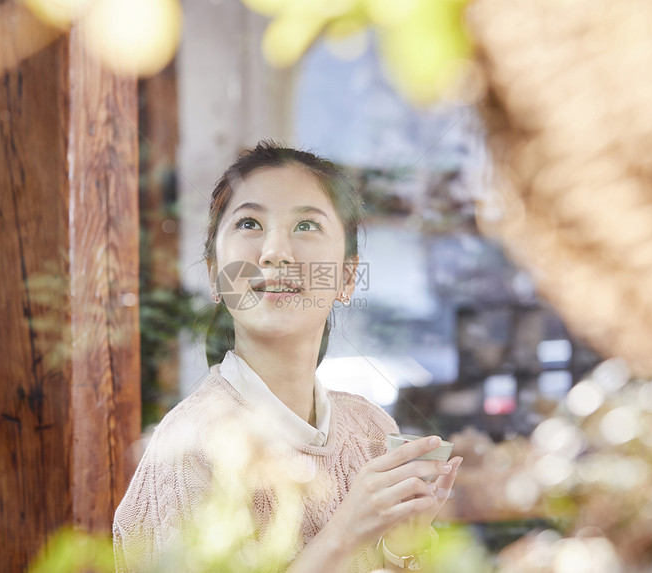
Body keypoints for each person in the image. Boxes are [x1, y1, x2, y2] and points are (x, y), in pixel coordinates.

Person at [113, 141, 462, 572]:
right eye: (249, 223)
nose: (275, 252)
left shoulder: (372, 431)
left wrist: (399, 545)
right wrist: (346, 534)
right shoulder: (191, 450)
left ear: (347, 277)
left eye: (306, 226)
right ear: (215, 276)